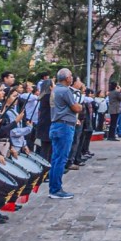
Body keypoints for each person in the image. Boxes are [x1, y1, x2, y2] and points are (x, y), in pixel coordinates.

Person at [48, 68, 81, 199]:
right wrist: (80, 106)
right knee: (61, 159)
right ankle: (56, 189)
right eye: (71, 76)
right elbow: (76, 107)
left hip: (56, 125)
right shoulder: (65, 90)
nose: (72, 78)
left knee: (56, 158)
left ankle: (53, 187)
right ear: (67, 78)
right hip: (64, 126)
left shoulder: (55, 89)